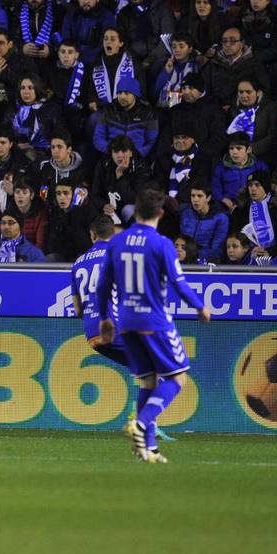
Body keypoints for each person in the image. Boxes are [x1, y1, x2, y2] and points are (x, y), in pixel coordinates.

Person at [96, 188, 211, 464]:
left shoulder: (116, 242)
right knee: (177, 377)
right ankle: (142, 422)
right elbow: (179, 283)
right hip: (154, 320)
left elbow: (103, 287)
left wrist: (105, 318)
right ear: (160, 214)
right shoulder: (161, 244)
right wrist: (200, 306)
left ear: (135, 212)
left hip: (126, 321)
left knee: (147, 380)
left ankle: (147, 450)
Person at [71, 216, 128, 368]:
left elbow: (78, 310)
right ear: (113, 233)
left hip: (92, 335)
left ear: (93, 234)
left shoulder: (78, 262)